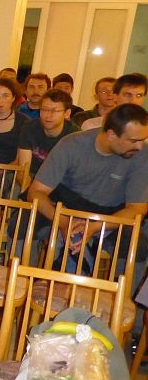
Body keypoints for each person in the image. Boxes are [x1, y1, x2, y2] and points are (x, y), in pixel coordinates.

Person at [27, 104, 148, 281]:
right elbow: (36, 192)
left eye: (143, 139)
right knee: (21, 224)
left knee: (138, 247)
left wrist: (96, 226)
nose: (140, 146)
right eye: (134, 140)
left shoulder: (142, 154)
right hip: (67, 207)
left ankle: (122, 296)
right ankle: (26, 283)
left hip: (112, 215)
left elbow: (137, 209)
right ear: (111, 134)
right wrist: (63, 221)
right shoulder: (72, 144)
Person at [16, 88, 78, 189]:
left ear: (67, 113)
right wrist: (30, 193)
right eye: (44, 109)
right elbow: (23, 170)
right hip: (32, 177)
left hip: (61, 182)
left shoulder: (75, 136)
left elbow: (73, 174)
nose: (48, 115)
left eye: (54, 111)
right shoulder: (29, 128)